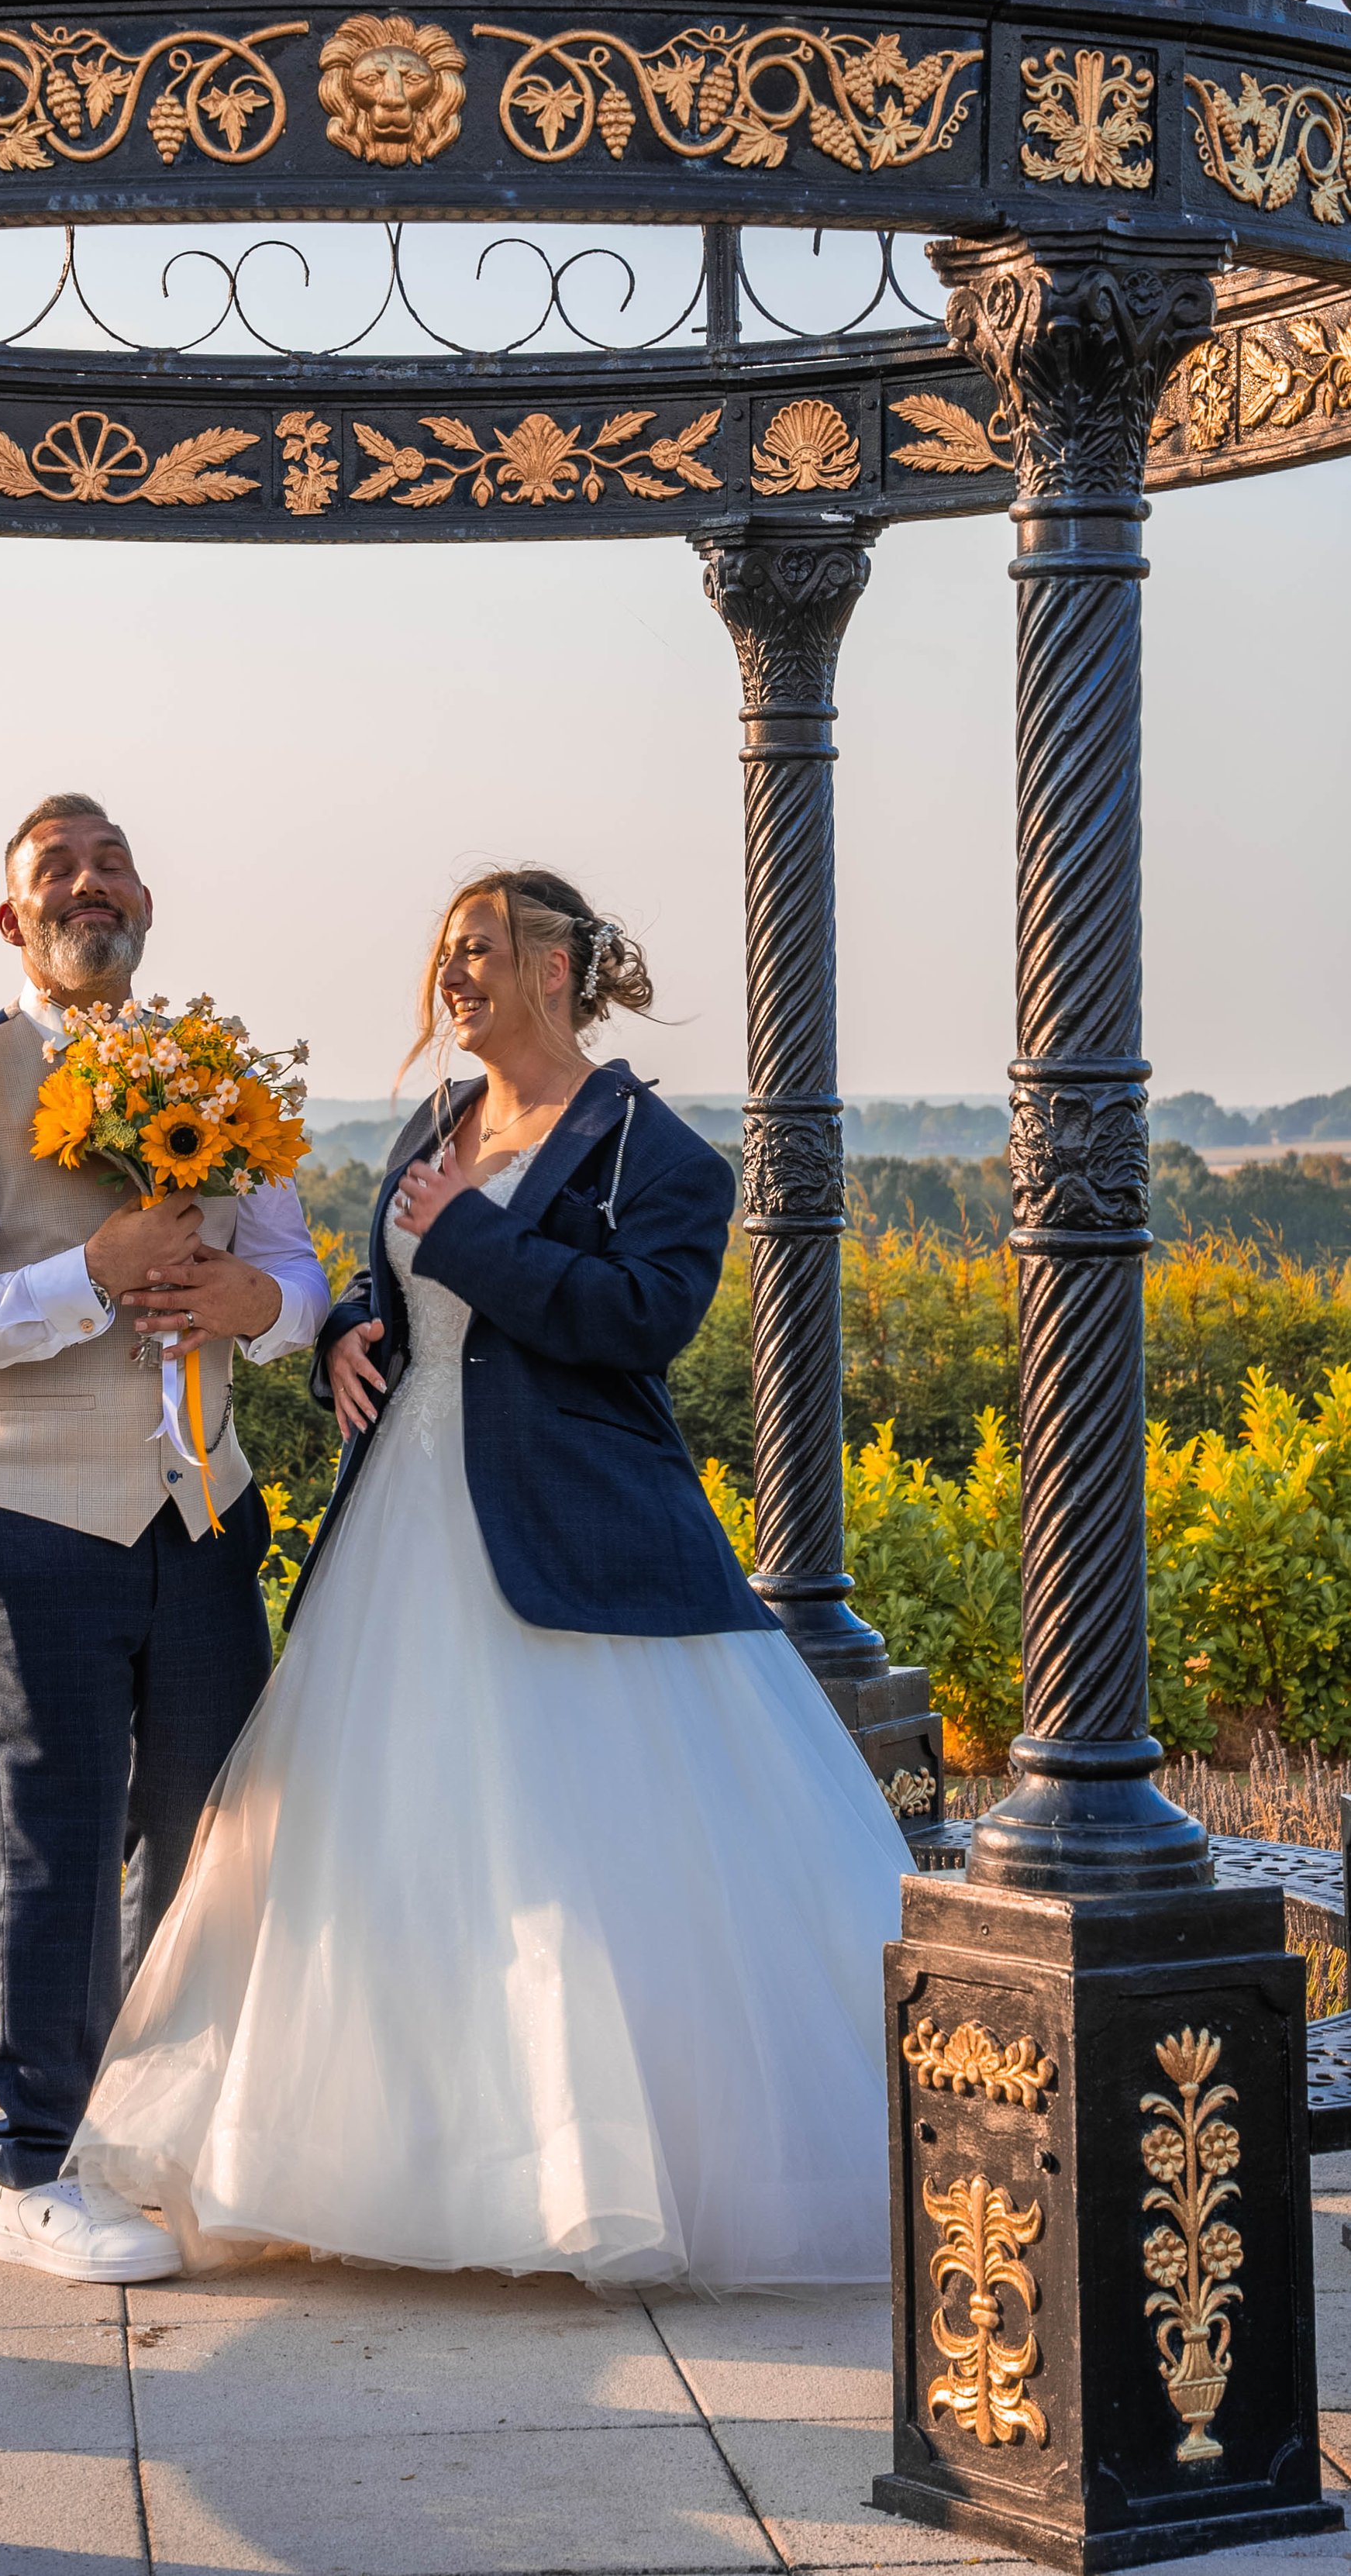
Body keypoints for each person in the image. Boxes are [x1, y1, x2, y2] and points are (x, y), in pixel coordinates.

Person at [67, 867, 912, 2293]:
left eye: (482, 950)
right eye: (446, 950)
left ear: (561, 971)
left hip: (585, 1537)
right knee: (387, 1846)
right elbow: (399, 1292)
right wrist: (342, 1325)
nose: (452, 973)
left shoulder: (661, 1154)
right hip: (402, 1519)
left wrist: (467, 1230)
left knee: (581, 1860)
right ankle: (377, 2158)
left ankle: (597, 2178)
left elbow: (638, 1325)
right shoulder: (433, 1126)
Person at [0, 794, 329, 2284]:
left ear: (148, 903)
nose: (90, 884)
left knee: (204, 1837)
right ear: (15, 922)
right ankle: (36, 2167)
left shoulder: (221, 1080)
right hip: (27, 1516)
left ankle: (160, 2133)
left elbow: (296, 1271)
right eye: (56, 871)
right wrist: (96, 1271)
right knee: (56, 1837)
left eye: (113, 860)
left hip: (200, 1511)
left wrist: (255, 1310)